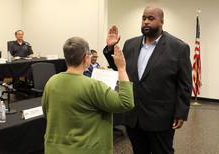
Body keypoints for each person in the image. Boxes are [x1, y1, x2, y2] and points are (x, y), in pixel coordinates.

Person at [103, 6, 192, 154]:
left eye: (151, 18)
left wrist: (181, 113)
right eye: (144, 18)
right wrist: (111, 48)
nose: (146, 22)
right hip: (133, 116)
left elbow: (185, 83)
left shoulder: (178, 47)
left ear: (162, 21)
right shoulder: (130, 44)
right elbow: (120, 69)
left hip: (160, 118)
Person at [42, 37, 134, 154]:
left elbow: (47, 113)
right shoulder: (93, 86)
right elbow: (126, 103)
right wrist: (121, 68)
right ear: (86, 57)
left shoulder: (51, 82)